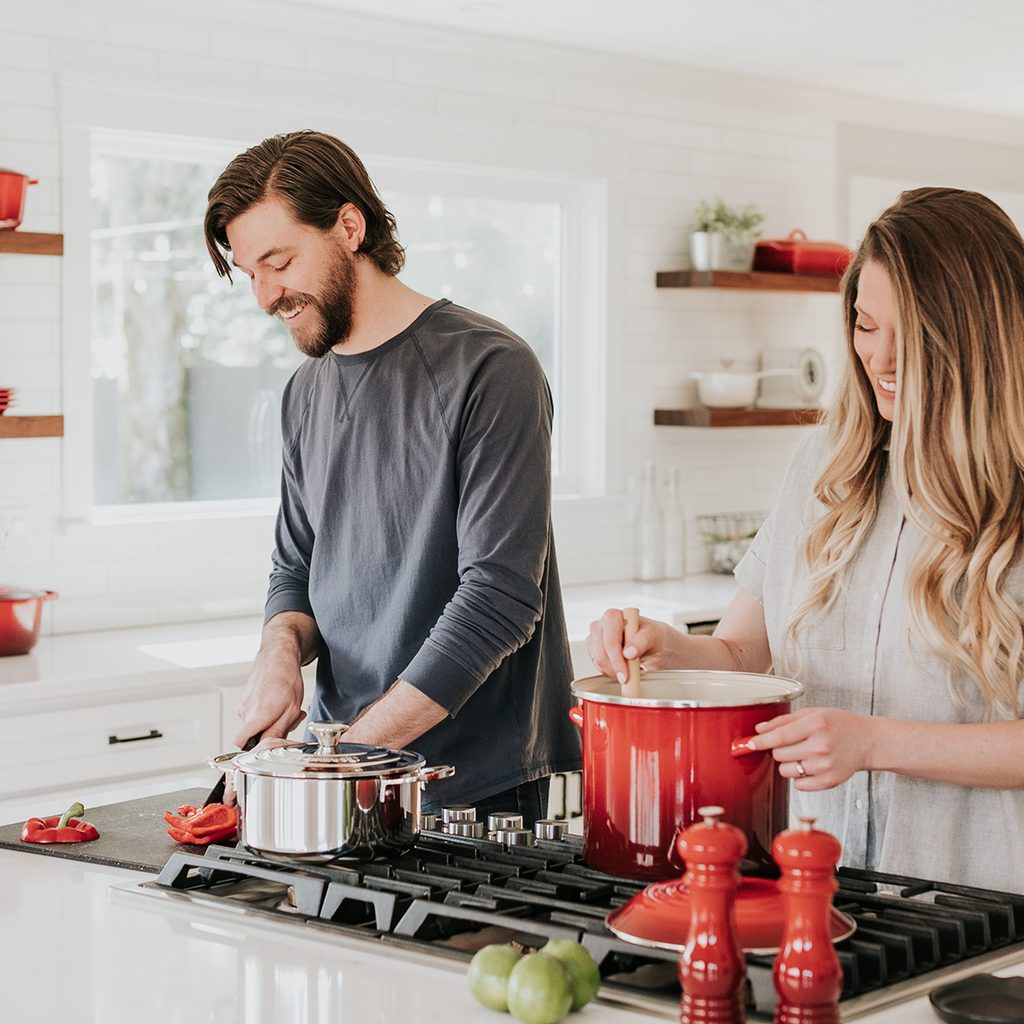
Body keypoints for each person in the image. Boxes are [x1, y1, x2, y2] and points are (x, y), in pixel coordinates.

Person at [588, 187, 1024, 893]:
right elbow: (740, 654)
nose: (878, 359)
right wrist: (667, 650)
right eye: (864, 325)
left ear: (976, 333)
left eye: (907, 332)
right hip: (817, 888)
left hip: (985, 905)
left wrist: (877, 743)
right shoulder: (826, 464)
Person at [203, 129, 581, 824]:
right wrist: (278, 653)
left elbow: (500, 599)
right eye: (248, 272)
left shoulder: (490, 368)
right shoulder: (304, 391)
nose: (264, 296)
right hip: (339, 771)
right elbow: (297, 568)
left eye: (278, 262)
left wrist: (343, 761)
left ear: (349, 226)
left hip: (476, 789)